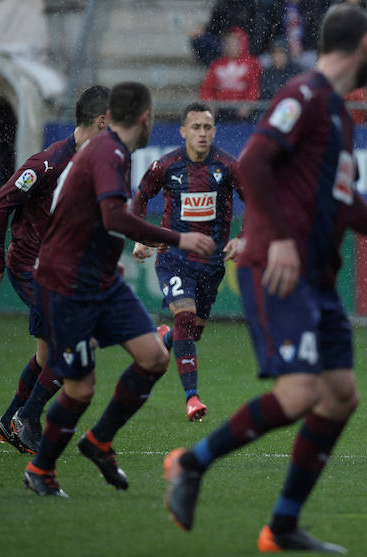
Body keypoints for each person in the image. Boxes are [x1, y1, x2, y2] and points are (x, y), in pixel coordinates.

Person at [163, 5, 367, 553]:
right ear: (363, 46)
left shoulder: (339, 115)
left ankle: (282, 525)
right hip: (278, 267)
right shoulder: (302, 96)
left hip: (317, 278)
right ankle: (189, 463)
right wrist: (280, 237)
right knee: (302, 391)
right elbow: (255, 162)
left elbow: (342, 199)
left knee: (339, 397)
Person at [22, 82, 217, 497]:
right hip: (67, 283)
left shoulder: (114, 152)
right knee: (81, 387)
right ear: (146, 118)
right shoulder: (107, 153)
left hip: (101, 280)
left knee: (153, 357)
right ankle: (40, 469)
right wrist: (177, 237)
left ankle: (99, 442)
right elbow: (113, 215)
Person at [0, 85, 110, 455]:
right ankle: (28, 417)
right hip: (32, 268)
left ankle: (10, 421)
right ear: (102, 122)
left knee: (46, 355)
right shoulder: (48, 163)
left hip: (62, 271)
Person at [132, 102, 243, 421]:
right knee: (185, 319)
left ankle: (164, 338)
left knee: (190, 333)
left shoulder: (228, 166)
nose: (202, 133)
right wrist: (139, 237)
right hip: (173, 258)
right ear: (183, 132)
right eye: (196, 127)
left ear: (214, 132)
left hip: (211, 263)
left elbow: (257, 201)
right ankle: (192, 399)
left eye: (208, 127)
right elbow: (141, 197)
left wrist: (243, 237)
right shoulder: (166, 166)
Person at [199, 27, 263, 121]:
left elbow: (254, 87)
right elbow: (207, 87)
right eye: (228, 43)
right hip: (220, 110)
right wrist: (210, 102)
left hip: (242, 111)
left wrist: (249, 103)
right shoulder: (217, 63)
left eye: (234, 43)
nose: (230, 46)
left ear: (242, 43)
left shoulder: (251, 63)